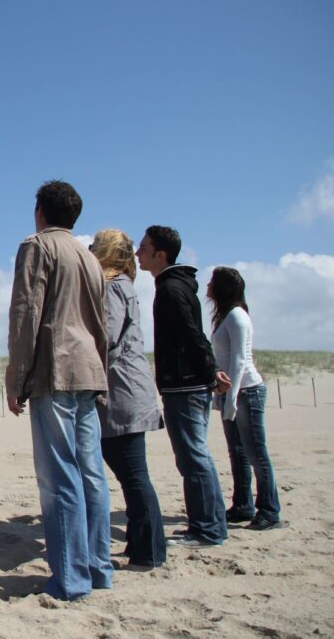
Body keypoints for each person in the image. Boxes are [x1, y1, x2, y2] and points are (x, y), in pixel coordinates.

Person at [5, 180, 113, 601]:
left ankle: (70, 579)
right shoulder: (89, 257)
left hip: (56, 370)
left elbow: (25, 314)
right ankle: (98, 569)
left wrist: (16, 379)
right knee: (91, 474)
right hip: (89, 370)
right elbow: (101, 323)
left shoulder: (37, 246)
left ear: (40, 211)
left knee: (59, 477)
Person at [135, 225, 230, 548]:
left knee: (193, 457)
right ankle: (211, 524)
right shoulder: (174, 285)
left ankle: (207, 529)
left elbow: (191, 335)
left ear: (161, 254)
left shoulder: (171, 289)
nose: (138, 253)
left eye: (144, 248)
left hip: (185, 386)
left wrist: (210, 372)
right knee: (196, 456)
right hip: (188, 384)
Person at [89, 229, 167, 568]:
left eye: (95, 246)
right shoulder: (123, 285)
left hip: (122, 392)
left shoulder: (112, 287)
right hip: (128, 390)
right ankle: (141, 545)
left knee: (133, 475)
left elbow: (105, 337)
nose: (90, 250)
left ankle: (149, 550)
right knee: (132, 474)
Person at [207, 266, 282, 531]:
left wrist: (232, 398)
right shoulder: (225, 315)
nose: (208, 286)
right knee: (237, 452)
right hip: (232, 391)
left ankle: (270, 510)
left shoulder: (237, 316)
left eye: (213, 282)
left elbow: (239, 360)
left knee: (256, 453)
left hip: (247, 390)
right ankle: (242, 505)